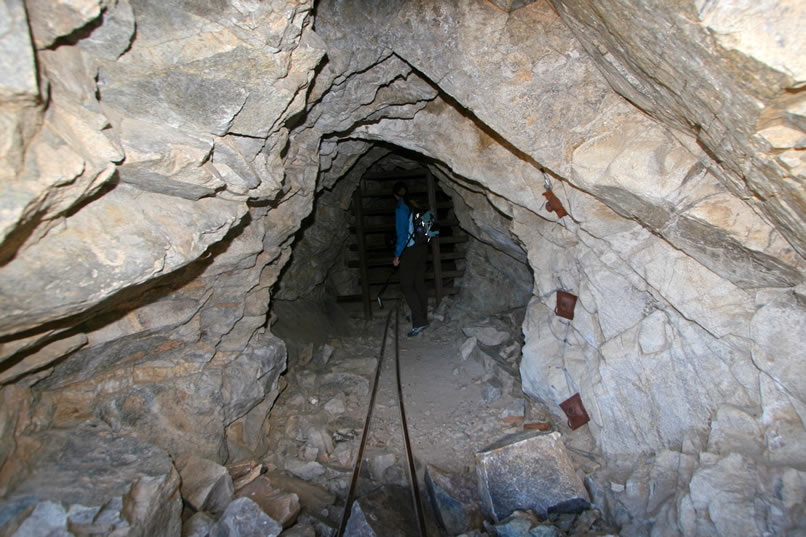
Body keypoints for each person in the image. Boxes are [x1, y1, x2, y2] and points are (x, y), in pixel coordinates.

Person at [392, 181, 429, 336]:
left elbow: (402, 235)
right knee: (419, 283)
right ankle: (422, 318)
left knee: (407, 286)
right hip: (423, 248)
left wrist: (397, 255)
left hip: (410, 250)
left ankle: (419, 322)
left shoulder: (401, 209)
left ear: (395, 195)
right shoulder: (417, 206)